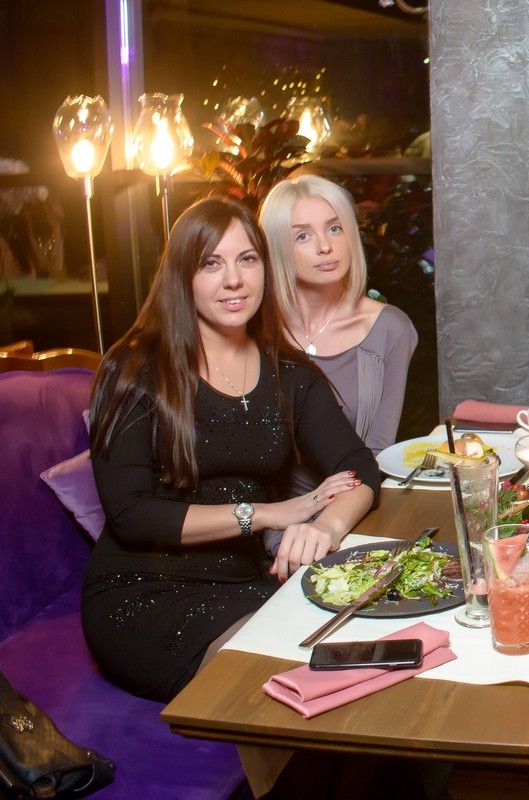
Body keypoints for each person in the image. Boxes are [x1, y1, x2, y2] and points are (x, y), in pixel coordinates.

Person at [82, 198, 381, 702]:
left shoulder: (290, 375)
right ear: (183, 276)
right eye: (211, 264)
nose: (234, 280)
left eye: (247, 259)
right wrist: (265, 513)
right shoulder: (134, 370)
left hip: (247, 584)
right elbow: (132, 514)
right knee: (282, 689)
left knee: (363, 666)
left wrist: (326, 526)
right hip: (143, 592)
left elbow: (359, 467)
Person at [259, 174, 417, 456]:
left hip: (358, 481)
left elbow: (379, 450)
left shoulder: (390, 328)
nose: (325, 246)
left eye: (335, 228)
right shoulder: (257, 329)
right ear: (277, 248)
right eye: (303, 235)